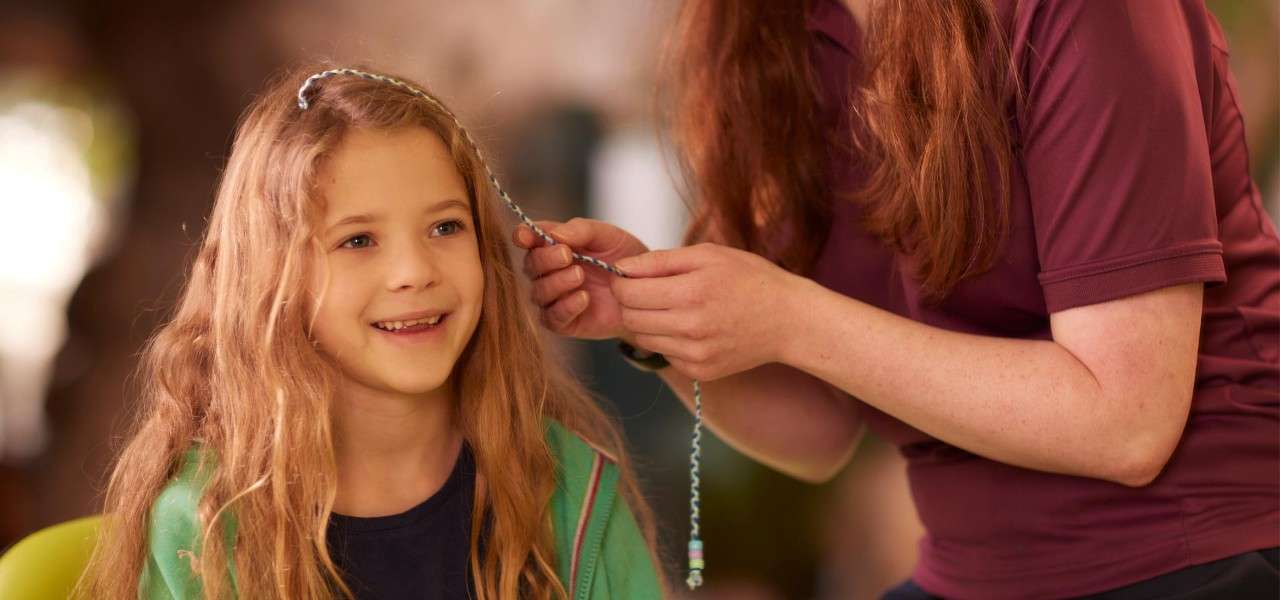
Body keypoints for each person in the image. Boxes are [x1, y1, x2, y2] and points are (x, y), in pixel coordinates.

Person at [515, 0, 1280, 597]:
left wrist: (790, 316)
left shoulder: (1086, 16)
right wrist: (651, 324)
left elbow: (1128, 422)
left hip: (1199, 552)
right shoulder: (774, 37)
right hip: (972, 574)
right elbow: (819, 432)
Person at [77, 66, 663, 599]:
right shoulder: (203, 524)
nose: (413, 272)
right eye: (357, 240)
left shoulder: (567, 488)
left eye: (445, 227)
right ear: (271, 280)